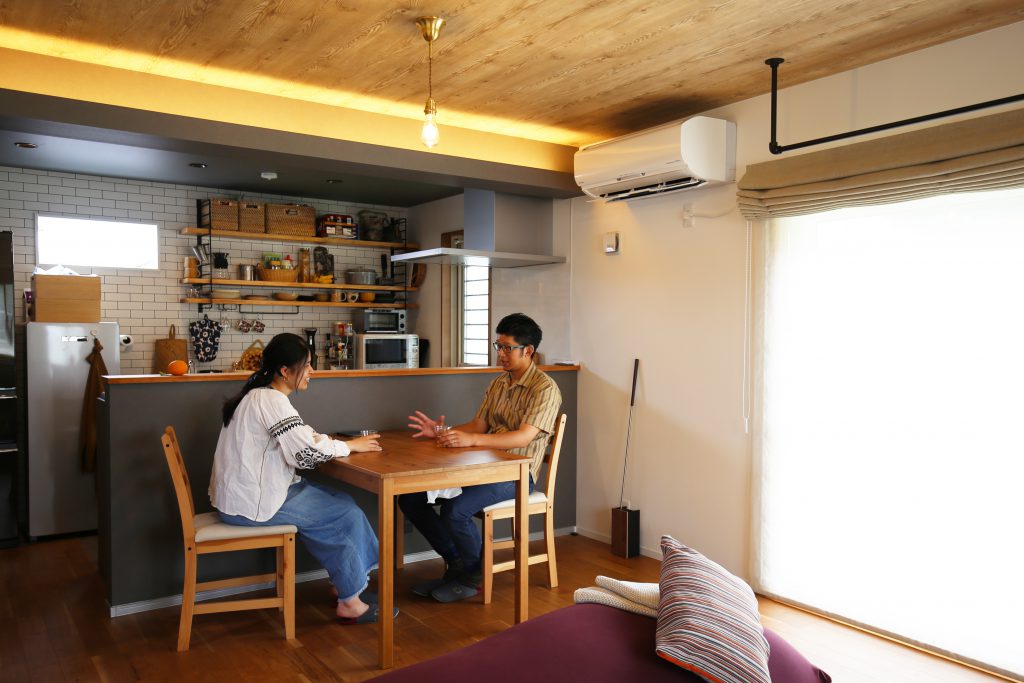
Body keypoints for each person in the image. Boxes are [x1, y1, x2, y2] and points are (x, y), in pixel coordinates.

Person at [210, 332, 392, 625]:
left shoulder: (259, 395)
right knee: (344, 513)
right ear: (285, 371)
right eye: (306, 365)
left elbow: (301, 436)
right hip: (252, 504)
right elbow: (304, 453)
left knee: (342, 501)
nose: (312, 371)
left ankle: (345, 585)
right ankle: (350, 602)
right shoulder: (271, 400)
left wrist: (337, 443)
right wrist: (348, 446)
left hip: (243, 496)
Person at [401, 313, 562, 602]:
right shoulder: (499, 383)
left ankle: (473, 575)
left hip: (517, 474)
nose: (501, 353)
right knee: (410, 498)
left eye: (507, 348)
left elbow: (523, 437)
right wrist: (442, 431)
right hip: (483, 467)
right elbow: (479, 425)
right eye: (498, 346)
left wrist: (473, 440)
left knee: (455, 511)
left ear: (528, 350)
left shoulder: (545, 389)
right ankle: (456, 563)